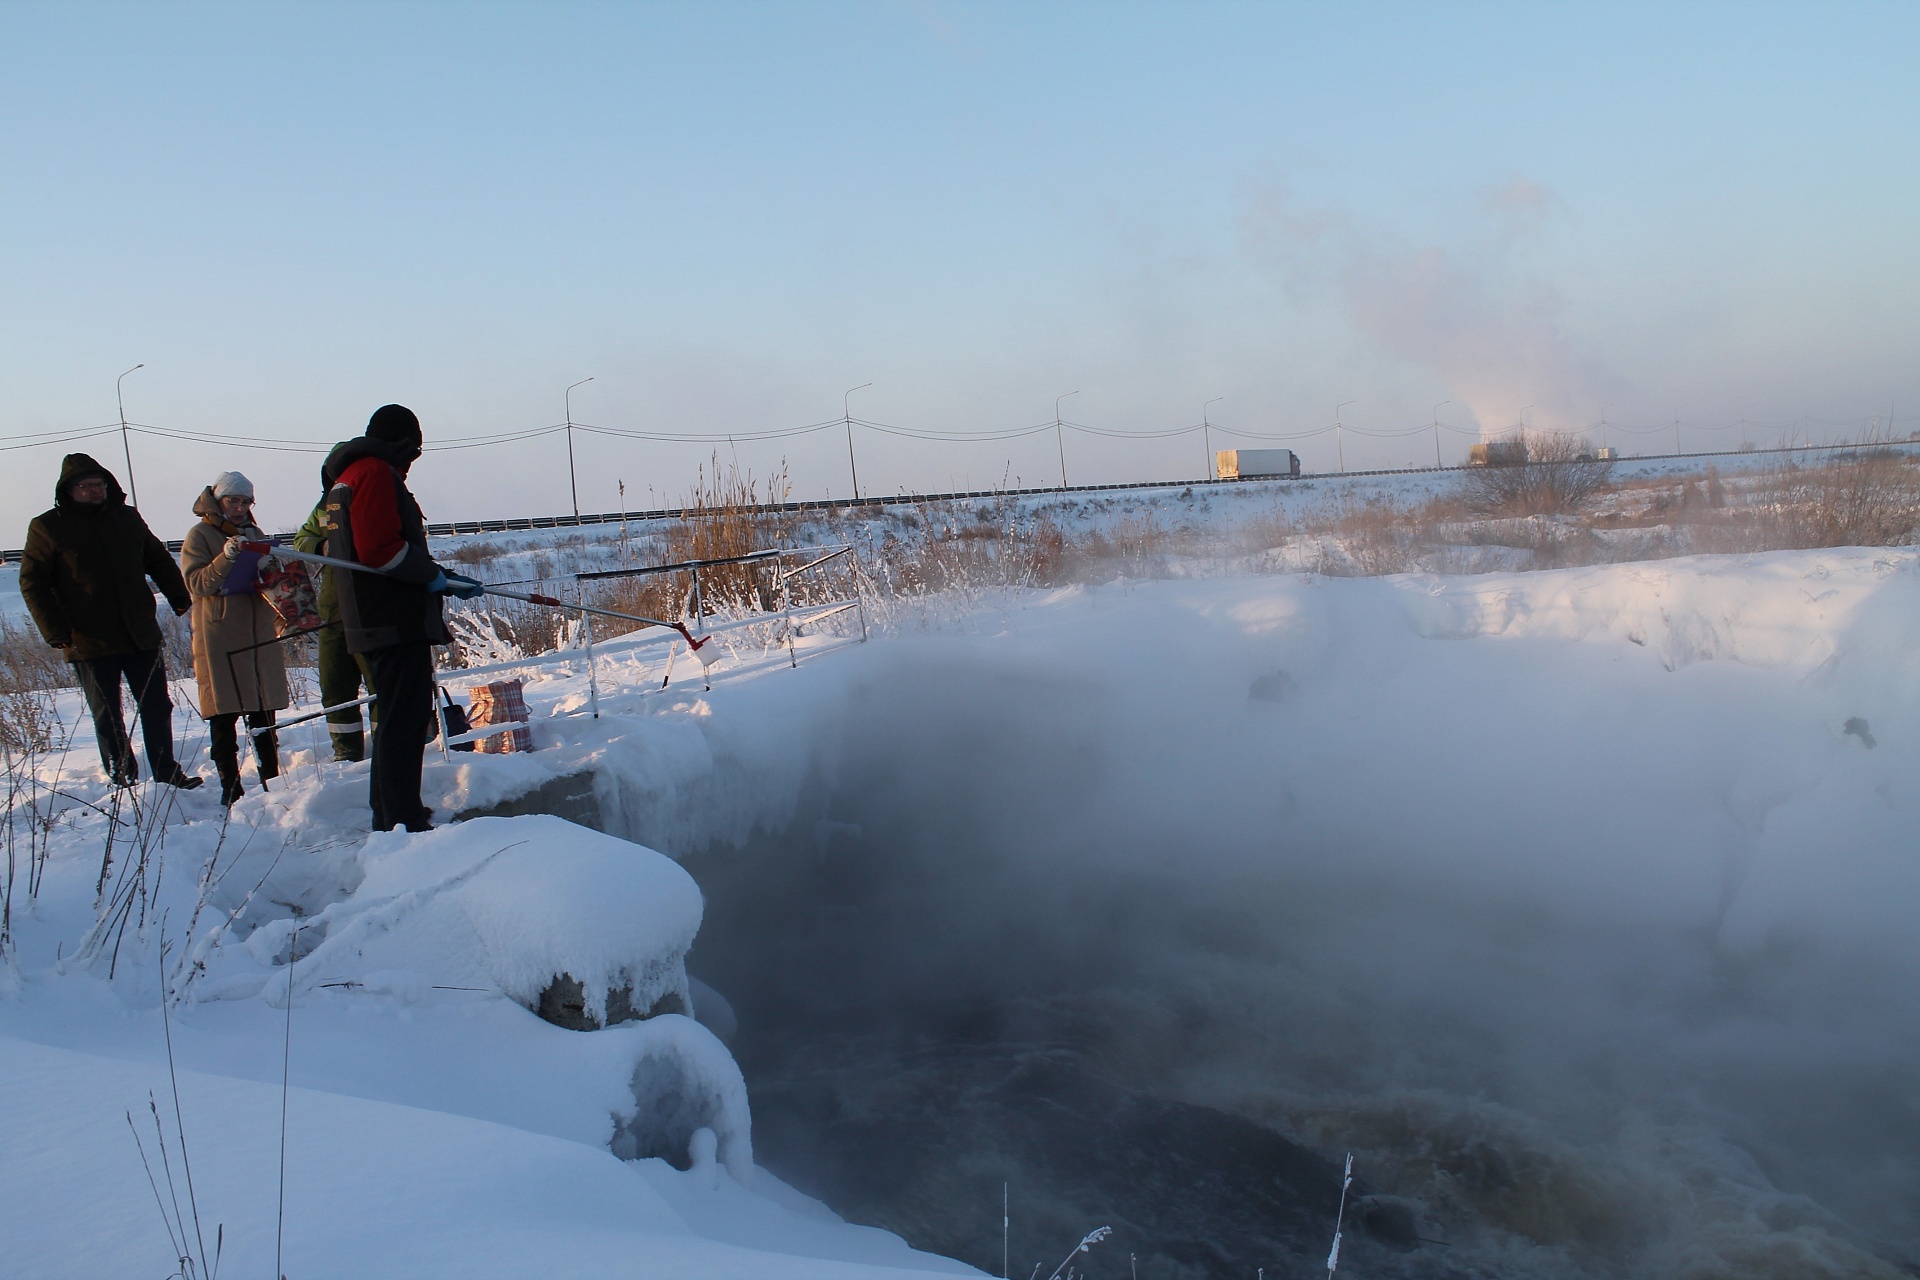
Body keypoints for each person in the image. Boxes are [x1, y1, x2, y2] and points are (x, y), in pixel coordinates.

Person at [323, 405, 481, 832]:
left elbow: (376, 549)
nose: (412, 464)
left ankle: (391, 812)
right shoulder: (374, 473)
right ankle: (402, 819)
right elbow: (380, 551)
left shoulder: (347, 478)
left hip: (372, 616)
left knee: (397, 718)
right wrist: (431, 576)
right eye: (414, 453)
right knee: (405, 721)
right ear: (403, 445)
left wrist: (442, 578)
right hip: (390, 619)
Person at [18, 454, 203, 789]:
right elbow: (33, 582)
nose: (94, 490)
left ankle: (166, 772)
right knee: (108, 714)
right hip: (88, 638)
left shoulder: (127, 518)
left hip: (139, 632)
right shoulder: (48, 526)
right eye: (85, 486)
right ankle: (124, 778)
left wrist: (178, 594)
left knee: (157, 705)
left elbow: (157, 558)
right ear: (69, 490)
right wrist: (55, 629)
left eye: (99, 484)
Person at [180, 472, 291, 806]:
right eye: (234, 501)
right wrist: (226, 558)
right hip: (221, 632)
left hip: (258, 628)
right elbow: (197, 584)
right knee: (224, 709)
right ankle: (231, 786)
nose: (240, 508)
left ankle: (272, 780)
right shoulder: (199, 535)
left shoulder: (254, 534)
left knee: (262, 706)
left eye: (246, 502)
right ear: (218, 500)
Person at [294, 458, 375, 762]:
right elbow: (301, 540)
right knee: (335, 683)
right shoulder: (326, 505)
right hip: (333, 611)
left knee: (377, 681)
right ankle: (345, 751)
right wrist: (325, 547)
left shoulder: (373, 496)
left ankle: (387, 746)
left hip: (368, 607)